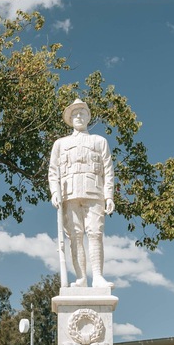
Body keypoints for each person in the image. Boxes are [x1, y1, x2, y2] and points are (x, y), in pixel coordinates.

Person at [49, 99, 115, 288]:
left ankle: (98, 277)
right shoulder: (60, 144)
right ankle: (81, 278)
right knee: (75, 236)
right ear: (70, 119)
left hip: (94, 193)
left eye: (82, 113)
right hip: (69, 194)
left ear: (88, 117)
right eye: (75, 114)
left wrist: (109, 196)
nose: (78, 116)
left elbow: (108, 170)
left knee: (95, 234)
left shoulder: (99, 141)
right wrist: (54, 192)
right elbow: (53, 171)